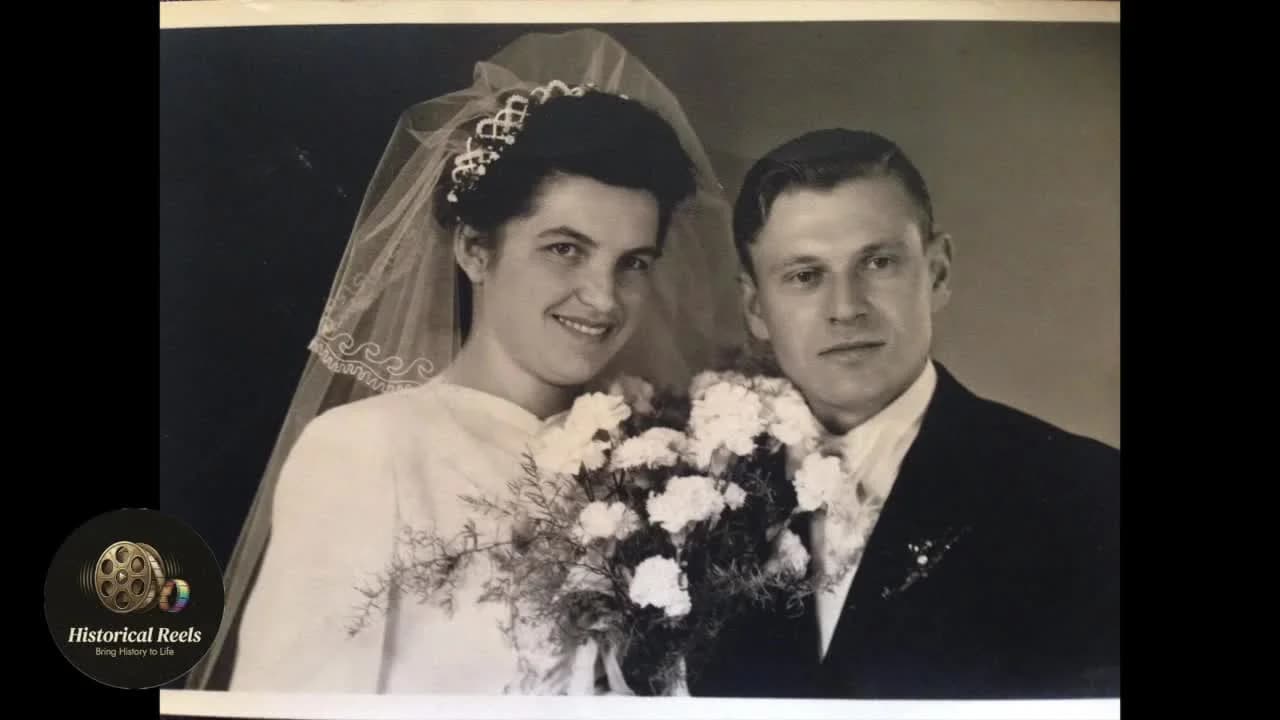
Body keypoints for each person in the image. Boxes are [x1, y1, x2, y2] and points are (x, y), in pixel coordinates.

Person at [211, 30, 744, 694]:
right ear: (475, 250)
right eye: (565, 249)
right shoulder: (366, 451)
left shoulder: (653, 460)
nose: (604, 298)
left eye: (632, 263)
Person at [689, 128, 1120, 699]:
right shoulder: (697, 501)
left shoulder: (1088, 494)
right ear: (756, 308)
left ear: (937, 271)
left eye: (879, 262)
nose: (845, 308)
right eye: (804, 276)